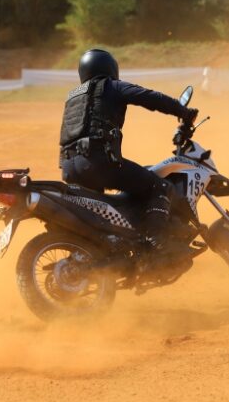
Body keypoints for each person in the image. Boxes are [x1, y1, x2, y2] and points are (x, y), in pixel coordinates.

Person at [59, 48, 197, 251]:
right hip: (98, 164)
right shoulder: (111, 86)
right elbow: (149, 97)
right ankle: (156, 243)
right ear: (110, 68)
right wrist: (182, 111)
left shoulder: (73, 97)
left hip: (69, 168)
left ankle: (110, 254)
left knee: (98, 217)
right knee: (159, 186)